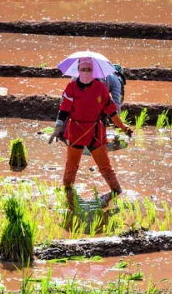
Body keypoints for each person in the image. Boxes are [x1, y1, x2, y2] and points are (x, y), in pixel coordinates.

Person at [49, 57, 134, 206]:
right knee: (71, 166)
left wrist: (123, 127)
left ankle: (116, 190)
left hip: (95, 132)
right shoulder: (71, 88)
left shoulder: (101, 88)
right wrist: (57, 128)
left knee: (105, 167)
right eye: (83, 69)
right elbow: (63, 110)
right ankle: (68, 192)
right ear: (78, 70)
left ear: (93, 72)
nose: (86, 72)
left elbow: (112, 111)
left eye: (89, 70)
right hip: (76, 131)